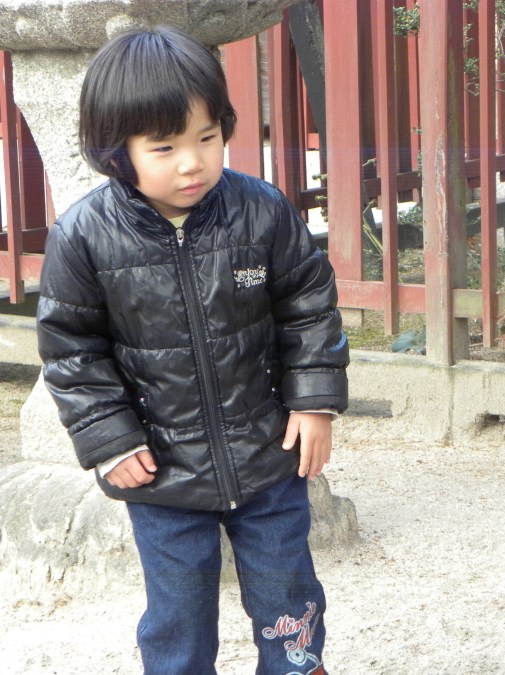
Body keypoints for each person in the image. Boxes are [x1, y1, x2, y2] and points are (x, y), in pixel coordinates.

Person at [36, 25, 348, 675]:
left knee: (288, 595)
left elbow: (308, 305)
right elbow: (72, 350)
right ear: (115, 149)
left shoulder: (261, 211)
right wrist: (110, 440)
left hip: (267, 456)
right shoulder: (84, 236)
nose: (192, 162)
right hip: (161, 473)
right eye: (165, 146)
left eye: (207, 138)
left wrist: (314, 402)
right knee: (178, 614)